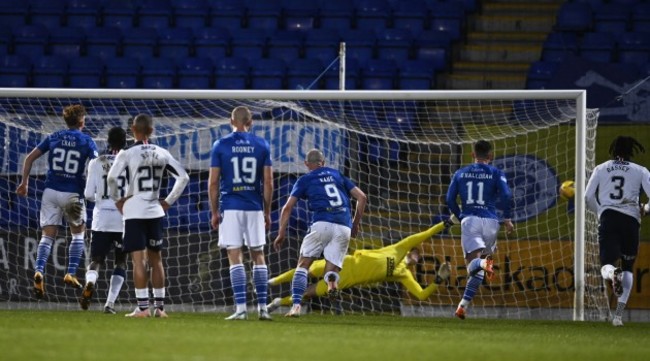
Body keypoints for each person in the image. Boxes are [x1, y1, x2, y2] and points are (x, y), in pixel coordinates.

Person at [267, 219, 456, 313]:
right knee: (304, 269)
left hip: (345, 280)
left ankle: (277, 303)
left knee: (307, 293)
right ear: (410, 251)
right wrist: (445, 223)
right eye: (416, 252)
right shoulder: (398, 249)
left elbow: (421, 295)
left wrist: (438, 279)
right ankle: (272, 281)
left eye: (418, 256)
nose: (417, 256)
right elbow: (424, 234)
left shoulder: (403, 274)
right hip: (344, 261)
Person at [107, 114, 189, 318]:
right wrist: (168, 201)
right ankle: (160, 309)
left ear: (132, 129)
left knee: (138, 261)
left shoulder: (126, 153)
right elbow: (184, 177)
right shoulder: (162, 152)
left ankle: (143, 308)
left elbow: (111, 178)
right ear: (151, 131)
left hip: (134, 210)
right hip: (155, 210)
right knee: (156, 260)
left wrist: (118, 200)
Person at [16, 104, 99, 299]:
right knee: (78, 235)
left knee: (47, 236)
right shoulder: (87, 141)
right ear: (81, 122)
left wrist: (24, 183)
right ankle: (70, 273)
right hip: (72, 193)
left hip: (50, 191)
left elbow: (29, 158)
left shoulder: (54, 137)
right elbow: (96, 165)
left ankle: (39, 271)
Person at [273, 148, 367, 318]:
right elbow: (362, 197)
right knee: (330, 270)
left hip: (322, 223)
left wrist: (281, 233)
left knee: (303, 266)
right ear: (323, 163)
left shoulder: (305, 179)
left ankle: (295, 306)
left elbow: (287, 208)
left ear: (307, 164)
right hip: (344, 226)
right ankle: (331, 284)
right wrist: (355, 224)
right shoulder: (337, 174)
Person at [209, 106, 274, 321]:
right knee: (258, 255)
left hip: (231, 205)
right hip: (254, 206)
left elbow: (213, 182)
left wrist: (214, 211)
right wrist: (266, 211)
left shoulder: (221, 145)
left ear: (231, 120)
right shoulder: (262, 144)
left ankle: (241, 309)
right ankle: (263, 308)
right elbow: (268, 183)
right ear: (251, 121)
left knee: (234, 256)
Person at [585, 136, 650, 327]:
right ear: (632, 151)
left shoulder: (601, 168)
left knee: (606, 264)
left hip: (608, 218)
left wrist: (601, 212)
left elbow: (588, 197)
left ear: (613, 150)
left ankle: (613, 273)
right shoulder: (640, 171)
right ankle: (618, 317)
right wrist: (645, 210)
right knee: (628, 267)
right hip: (630, 221)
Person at [445, 140, 514, 320]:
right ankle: (462, 307)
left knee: (473, 266)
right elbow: (507, 195)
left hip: (471, 220)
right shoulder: (496, 173)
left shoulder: (460, 173)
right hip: (492, 222)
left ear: (472, 155)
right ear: (490, 156)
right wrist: (507, 218)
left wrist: (460, 217)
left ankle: (485, 263)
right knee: (479, 271)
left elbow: (449, 199)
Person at [80, 126, 128, 313]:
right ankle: (110, 304)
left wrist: (101, 197)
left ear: (108, 141)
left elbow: (87, 194)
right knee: (121, 262)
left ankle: (90, 283)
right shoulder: (129, 162)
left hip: (101, 217)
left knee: (96, 260)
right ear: (125, 142)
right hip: (123, 217)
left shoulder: (96, 162)